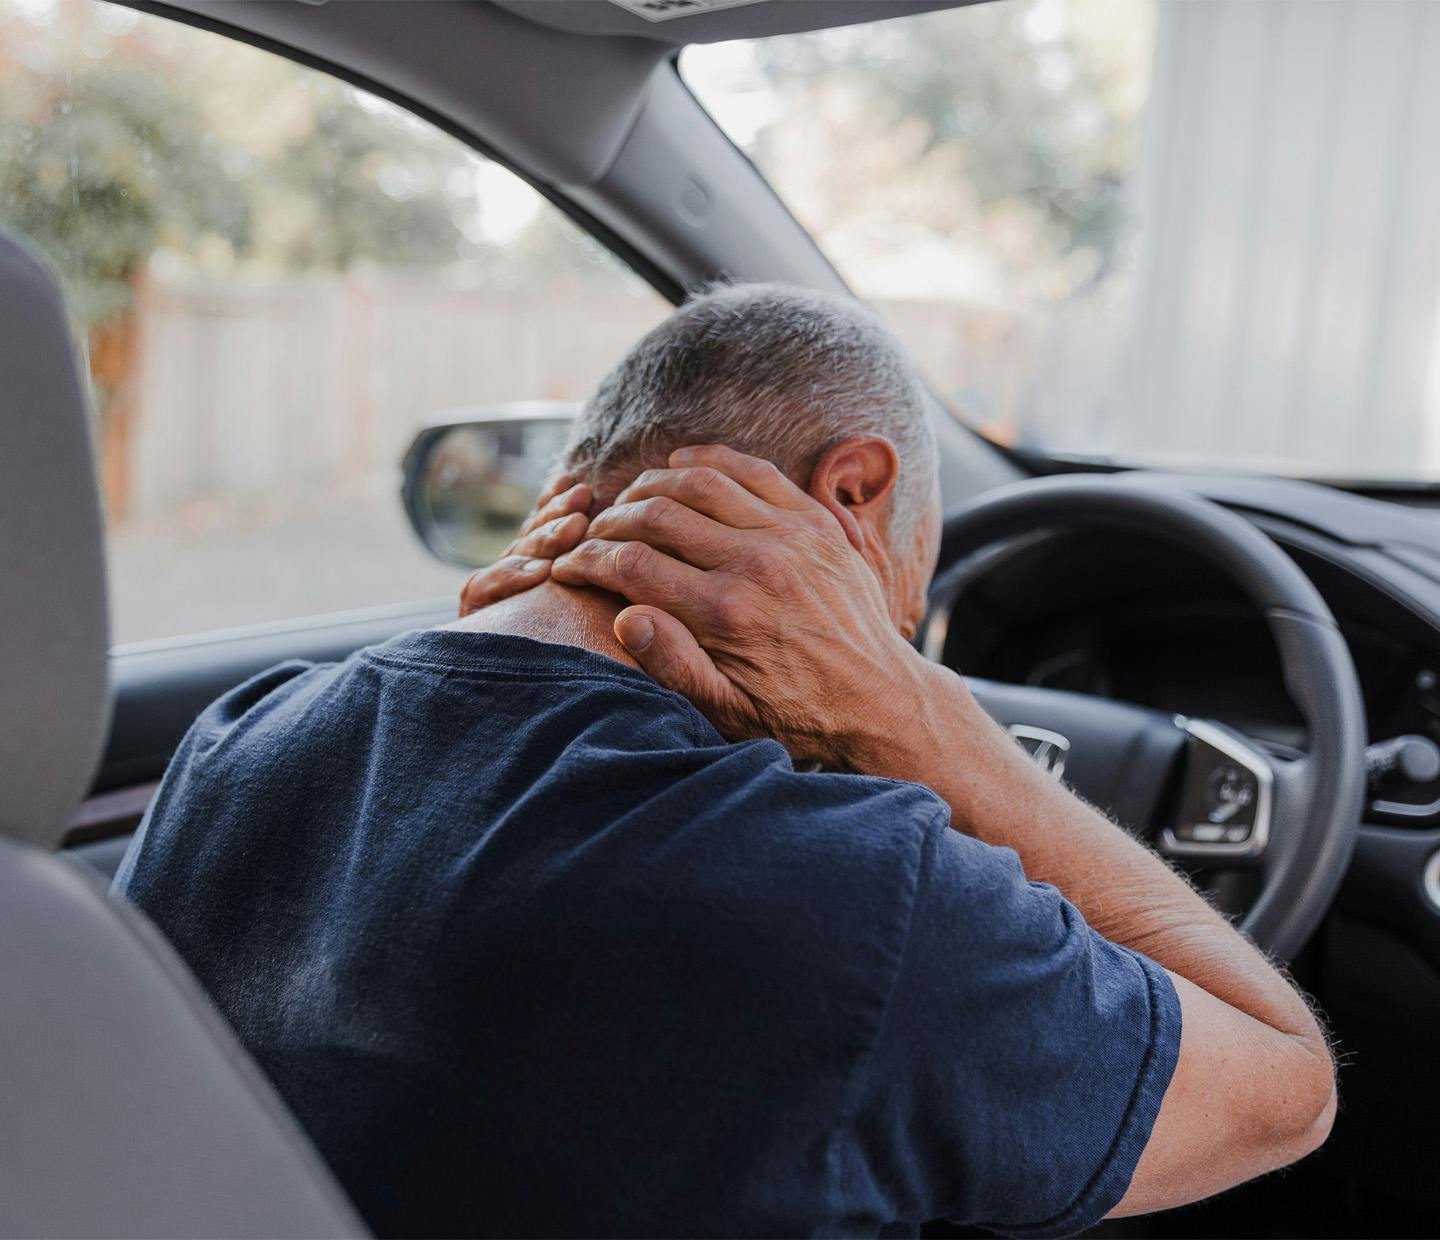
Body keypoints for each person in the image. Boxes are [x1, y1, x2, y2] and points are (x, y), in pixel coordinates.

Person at [116, 284, 1334, 1239]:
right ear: (854, 492)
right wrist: (922, 721)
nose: (890, 648)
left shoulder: (242, 744)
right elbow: (1287, 1087)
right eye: (898, 615)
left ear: (570, 495)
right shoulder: (855, 892)